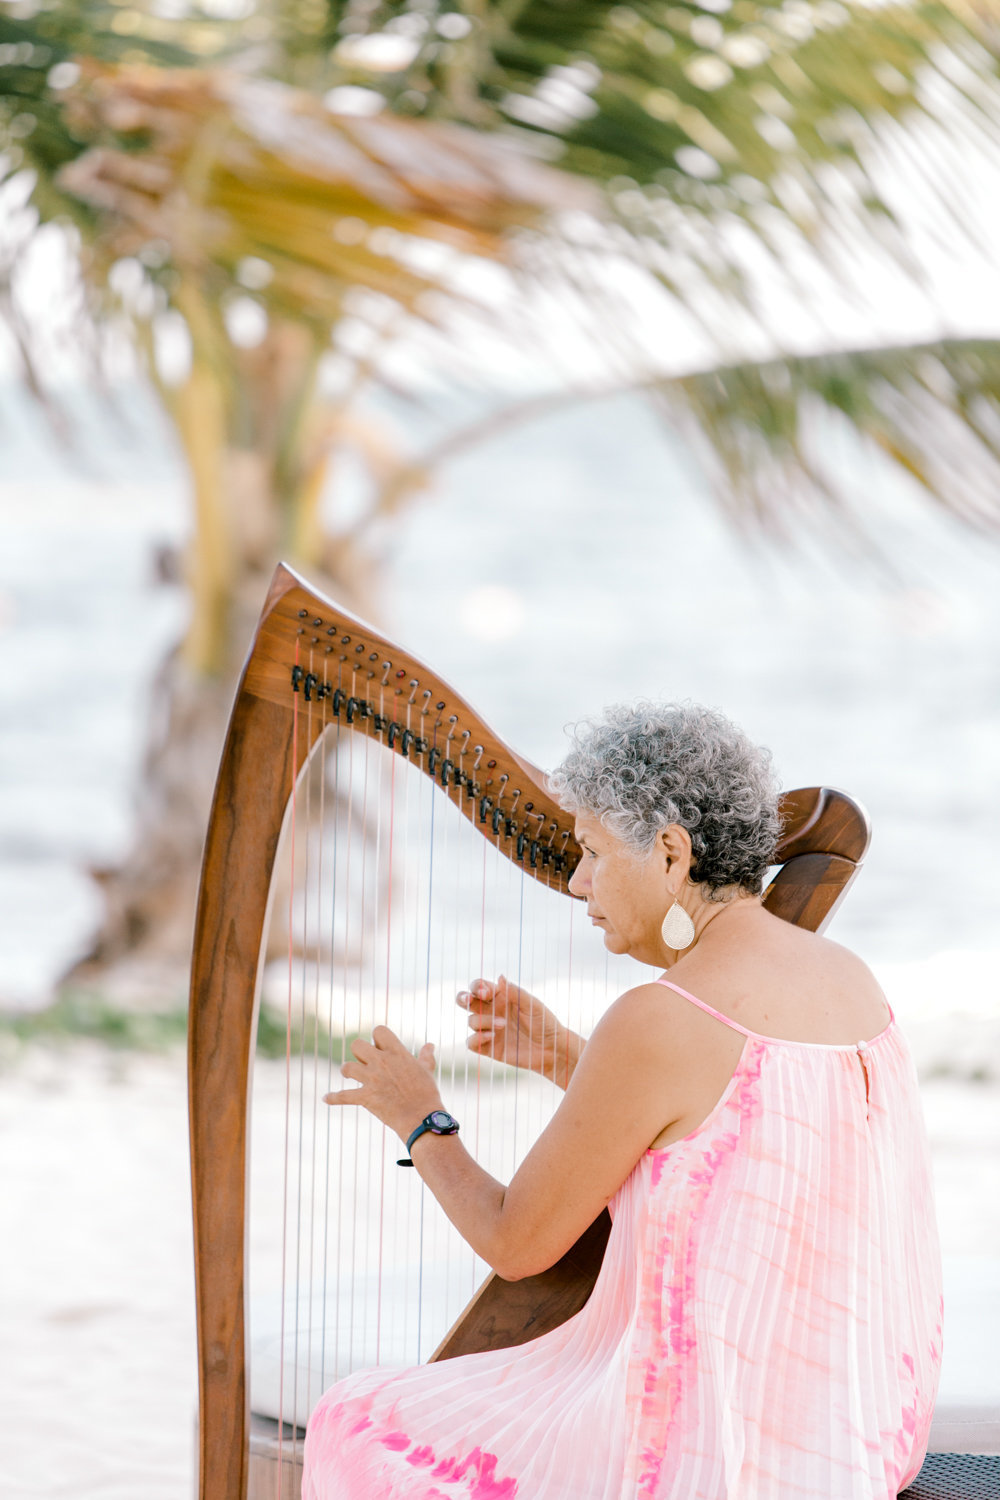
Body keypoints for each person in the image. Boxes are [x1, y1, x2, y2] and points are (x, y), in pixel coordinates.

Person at [302, 702, 942, 1500]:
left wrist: (419, 1117)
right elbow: (744, 1143)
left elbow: (514, 1243)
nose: (578, 883)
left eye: (595, 852)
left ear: (671, 853)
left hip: (706, 1450)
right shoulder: (848, 974)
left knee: (354, 1420)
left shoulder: (659, 1019)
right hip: (860, 1431)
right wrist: (569, 1057)